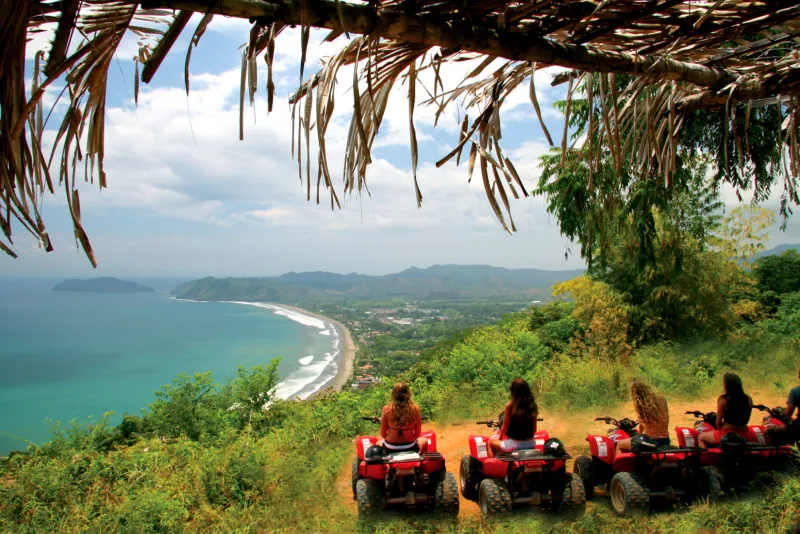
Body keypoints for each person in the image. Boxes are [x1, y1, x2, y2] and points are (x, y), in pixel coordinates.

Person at [698, 372, 753, 448]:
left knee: (700, 437)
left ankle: (705, 458)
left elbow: (718, 422)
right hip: (744, 433)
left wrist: (719, 431)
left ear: (728, 385)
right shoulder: (748, 399)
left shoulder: (723, 399)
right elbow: (747, 419)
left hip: (727, 433)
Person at [616, 380, 670, 452]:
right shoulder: (662, 399)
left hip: (650, 441)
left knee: (619, 444)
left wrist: (638, 435)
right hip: (665, 439)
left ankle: (618, 463)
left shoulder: (641, 405)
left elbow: (642, 425)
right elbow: (665, 416)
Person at [489, 378, 538, 453]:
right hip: (531, 444)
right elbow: (534, 429)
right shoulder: (533, 405)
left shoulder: (510, 406)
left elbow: (505, 427)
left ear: (513, 391)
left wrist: (500, 438)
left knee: (490, 442)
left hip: (513, 445)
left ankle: (494, 462)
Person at [378, 382, 427, 453]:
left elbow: (383, 434)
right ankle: (420, 461)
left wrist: (391, 438)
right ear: (408, 393)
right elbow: (417, 434)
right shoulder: (415, 409)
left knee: (378, 443)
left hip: (390, 447)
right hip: (410, 446)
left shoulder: (386, 409)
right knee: (424, 441)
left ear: (394, 394)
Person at [765, 366, 800, 446]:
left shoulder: (796, 391)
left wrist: (781, 411)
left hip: (798, 427)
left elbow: (788, 414)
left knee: (771, 431)